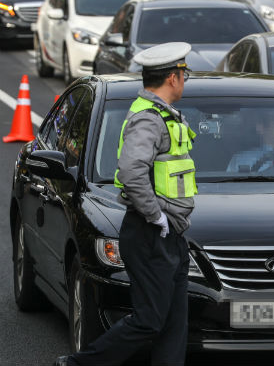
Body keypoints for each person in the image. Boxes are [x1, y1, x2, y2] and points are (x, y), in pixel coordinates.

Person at [54, 42, 197, 366]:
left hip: (170, 236)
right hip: (150, 234)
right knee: (150, 320)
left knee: (174, 327)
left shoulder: (165, 116)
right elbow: (131, 173)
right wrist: (156, 215)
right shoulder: (148, 118)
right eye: (183, 74)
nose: (185, 80)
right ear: (173, 78)